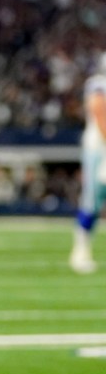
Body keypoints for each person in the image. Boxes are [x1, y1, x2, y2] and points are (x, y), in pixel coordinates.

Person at [70, 53, 106, 274]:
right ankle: (80, 250)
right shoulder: (98, 84)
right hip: (99, 149)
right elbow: (99, 111)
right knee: (92, 200)